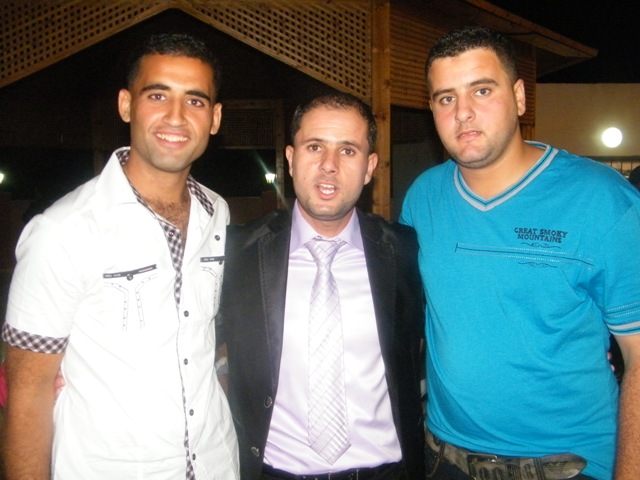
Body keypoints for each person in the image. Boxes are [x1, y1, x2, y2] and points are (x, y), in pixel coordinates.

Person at [400, 25, 640, 480]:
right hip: (443, 460)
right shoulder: (423, 197)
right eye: (446, 98)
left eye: (482, 90)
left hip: (569, 467)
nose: (463, 113)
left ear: (519, 97)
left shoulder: (602, 200)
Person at [1, 33, 239, 479]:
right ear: (126, 105)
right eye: (157, 95)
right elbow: (28, 393)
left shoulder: (218, 213)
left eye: (195, 101)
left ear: (215, 118)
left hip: (216, 464)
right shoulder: (64, 230)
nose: (176, 116)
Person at [218, 92, 425, 480]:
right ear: (291, 158)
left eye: (348, 150)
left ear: (369, 167)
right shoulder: (237, 254)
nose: (329, 165)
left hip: (387, 472)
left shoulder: (404, 251)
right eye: (315, 147)